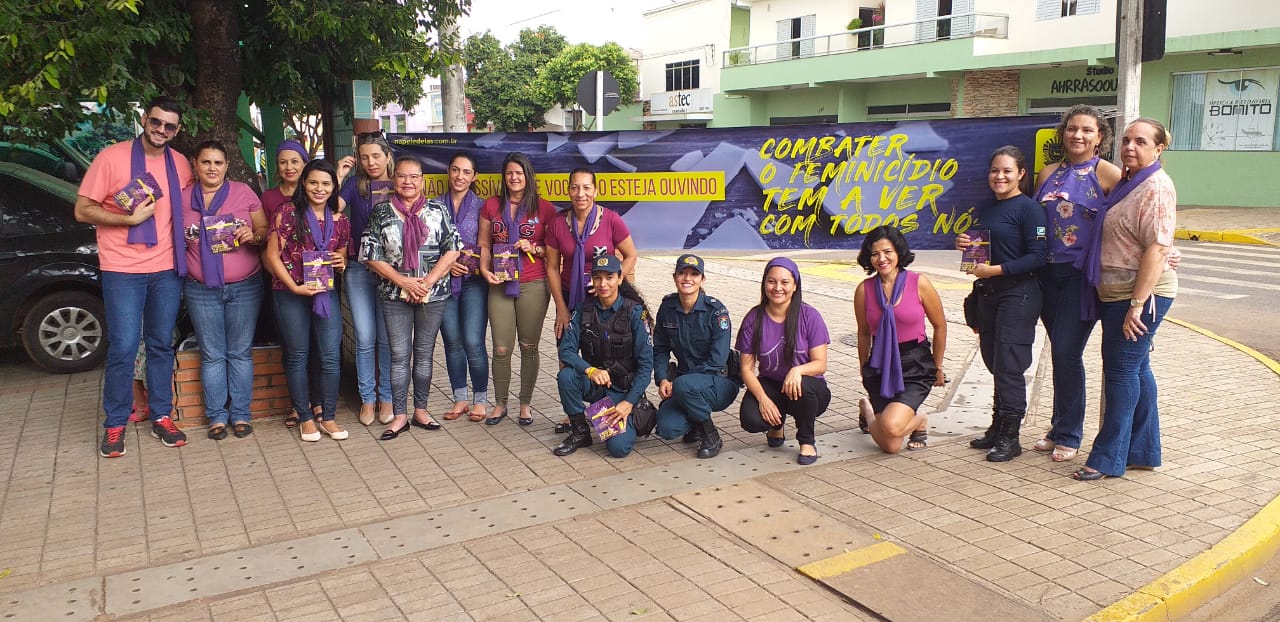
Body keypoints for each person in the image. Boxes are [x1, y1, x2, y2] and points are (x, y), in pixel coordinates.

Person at [75, 95, 193, 458]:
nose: (161, 130)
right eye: (156, 122)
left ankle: (161, 415)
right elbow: (82, 209)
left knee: (160, 345)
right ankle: (115, 423)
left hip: (166, 268)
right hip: (123, 268)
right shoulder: (111, 158)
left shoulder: (180, 164)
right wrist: (127, 220)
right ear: (144, 120)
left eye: (169, 126)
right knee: (124, 347)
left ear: (177, 130)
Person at [1071, 118, 1177, 481]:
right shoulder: (1130, 181)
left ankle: (1107, 458)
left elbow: (1158, 247)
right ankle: (1142, 452)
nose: (1130, 146)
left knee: (1120, 371)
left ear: (1159, 148)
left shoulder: (1156, 187)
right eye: (1127, 139)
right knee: (1136, 369)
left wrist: (1137, 304)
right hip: (1118, 291)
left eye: (1141, 141)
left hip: (1138, 295)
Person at [1030, 105, 1121, 462]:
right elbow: (1037, 223)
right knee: (1059, 352)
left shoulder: (1107, 173)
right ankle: (1058, 427)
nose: (1077, 135)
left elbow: (1127, 218)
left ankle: (1069, 433)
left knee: (1067, 352)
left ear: (1100, 137)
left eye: (1087, 130)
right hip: (1046, 275)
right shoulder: (1048, 173)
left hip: (1079, 278)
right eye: (1072, 128)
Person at [361, 155, 463, 440]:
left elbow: (453, 248)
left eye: (413, 176)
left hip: (433, 293)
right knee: (399, 355)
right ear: (394, 179)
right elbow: (370, 254)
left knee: (424, 353)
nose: (408, 181)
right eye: (402, 176)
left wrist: (427, 282)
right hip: (394, 293)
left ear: (422, 180)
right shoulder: (381, 212)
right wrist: (403, 281)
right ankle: (400, 415)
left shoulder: (438, 210)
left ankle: (421, 410)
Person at [955, 146, 1047, 462]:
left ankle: (1011, 436)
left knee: (1009, 365)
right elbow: (983, 248)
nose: (1000, 176)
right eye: (995, 170)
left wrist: (996, 270)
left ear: (1021, 174)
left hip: (1018, 294)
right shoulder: (987, 207)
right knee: (994, 362)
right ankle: (997, 428)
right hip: (989, 294)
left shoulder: (1030, 210)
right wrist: (965, 244)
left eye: (1007, 171)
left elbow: (1038, 256)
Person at [182, 140, 269, 440]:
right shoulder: (183, 199)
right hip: (201, 289)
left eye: (218, 163)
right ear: (195, 164)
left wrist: (252, 235)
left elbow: (264, 231)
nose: (212, 168)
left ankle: (241, 413)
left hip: (244, 287)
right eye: (206, 162)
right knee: (212, 355)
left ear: (226, 166)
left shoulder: (243, 192)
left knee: (240, 353)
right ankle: (217, 416)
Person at [262, 159, 351, 442]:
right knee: (298, 355)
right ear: (303, 183)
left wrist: (341, 262)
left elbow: (342, 255)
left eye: (326, 183)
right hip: (290, 292)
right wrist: (294, 287)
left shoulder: (340, 220)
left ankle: (329, 416)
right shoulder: (288, 212)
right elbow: (272, 256)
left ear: (334, 187)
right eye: (313, 182)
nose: (319, 188)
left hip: (324, 293)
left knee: (330, 355)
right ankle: (305, 417)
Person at [478, 152, 557, 426]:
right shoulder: (491, 205)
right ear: (504, 176)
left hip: (533, 284)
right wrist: (484, 269)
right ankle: (500, 404)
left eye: (519, 173)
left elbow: (553, 251)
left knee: (529, 346)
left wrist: (534, 247)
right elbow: (484, 244)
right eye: (510, 173)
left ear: (528, 176)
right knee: (501, 348)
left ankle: (525, 403)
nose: (514, 177)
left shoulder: (544, 209)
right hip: (499, 282)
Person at [853, 226, 947, 454]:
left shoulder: (919, 282)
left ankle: (920, 420)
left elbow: (940, 325)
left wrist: (938, 366)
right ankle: (867, 408)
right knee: (891, 446)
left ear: (898, 252)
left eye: (887, 252)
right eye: (875, 254)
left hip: (915, 364)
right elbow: (863, 333)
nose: (881, 259)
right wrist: (864, 368)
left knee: (892, 427)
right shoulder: (864, 290)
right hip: (880, 366)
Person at [553, 255, 655, 458]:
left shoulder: (635, 312)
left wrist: (628, 402)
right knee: (567, 376)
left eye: (609, 277)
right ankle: (580, 432)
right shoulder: (584, 309)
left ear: (620, 278)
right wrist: (590, 370)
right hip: (596, 387)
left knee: (619, 448)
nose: (603, 284)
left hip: (622, 391)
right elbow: (566, 350)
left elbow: (646, 366)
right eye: (598, 278)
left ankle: (627, 415)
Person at [737, 257, 831, 465]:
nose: (777, 288)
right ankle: (776, 425)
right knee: (751, 420)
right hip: (772, 384)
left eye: (785, 282)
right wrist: (763, 399)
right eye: (771, 281)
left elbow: (820, 364)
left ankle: (807, 441)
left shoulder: (810, 316)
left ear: (795, 285)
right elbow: (746, 368)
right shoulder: (754, 318)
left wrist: (797, 370)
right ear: (764, 284)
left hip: (808, 389)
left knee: (802, 385)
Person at [651, 254, 739, 459]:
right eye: (682, 273)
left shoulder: (716, 311)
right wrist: (663, 379)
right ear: (675, 277)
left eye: (694, 274)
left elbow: (717, 361)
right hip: (684, 384)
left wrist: (679, 384)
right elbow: (660, 348)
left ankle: (711, 435)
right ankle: (696, 423)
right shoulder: (668, 307)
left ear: (702, 279)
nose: (687, 278)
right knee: (667, 427)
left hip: (719, 382)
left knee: (684, 384)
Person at [336, 132, 395, 426]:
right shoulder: (353, 185)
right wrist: (338, 175)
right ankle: (367, 399)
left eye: (376, 156)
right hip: (359, 269)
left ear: (387, 156)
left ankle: (387, 398)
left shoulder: (399, 184)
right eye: (364, 157)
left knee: (386, 338)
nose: (371, 162)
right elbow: (330, 208)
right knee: (364, 337)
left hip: (391, 271)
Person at [261, 140, 317, 428]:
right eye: (283, 162)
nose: (289, 167)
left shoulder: (315, 191)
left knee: (319, 346)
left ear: (305, 164)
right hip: (283, 282)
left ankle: (318, 402)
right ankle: (299, 406)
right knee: (293, 348)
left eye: (295, 161)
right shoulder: (269, 198)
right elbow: (265, 240)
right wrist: (277, 271)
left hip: (317, 282)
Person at [437, 152, 491, 423]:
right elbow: (426, 245)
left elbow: (487, 244)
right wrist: (447, 265)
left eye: (466, 172)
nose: (460, 176)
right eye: (455, 170)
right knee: (452, 341)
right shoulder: (434, 206)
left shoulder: (483, 207)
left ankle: (480, 400)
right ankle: (460, 398)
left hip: (474, 283)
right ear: (448, 171)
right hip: (443, 282)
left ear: (474, 176)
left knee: (473, 341)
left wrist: (472, 264)